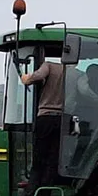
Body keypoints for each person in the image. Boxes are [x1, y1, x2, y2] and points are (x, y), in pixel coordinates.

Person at [20, 55, 66, 188]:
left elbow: (38, 76)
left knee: (39, 159)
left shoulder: (49, 66)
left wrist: (26, 78)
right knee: (53, 160)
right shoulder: (77, 74)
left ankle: (32, 193)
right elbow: (84, 90)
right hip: (62, 119)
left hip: (45, 118)